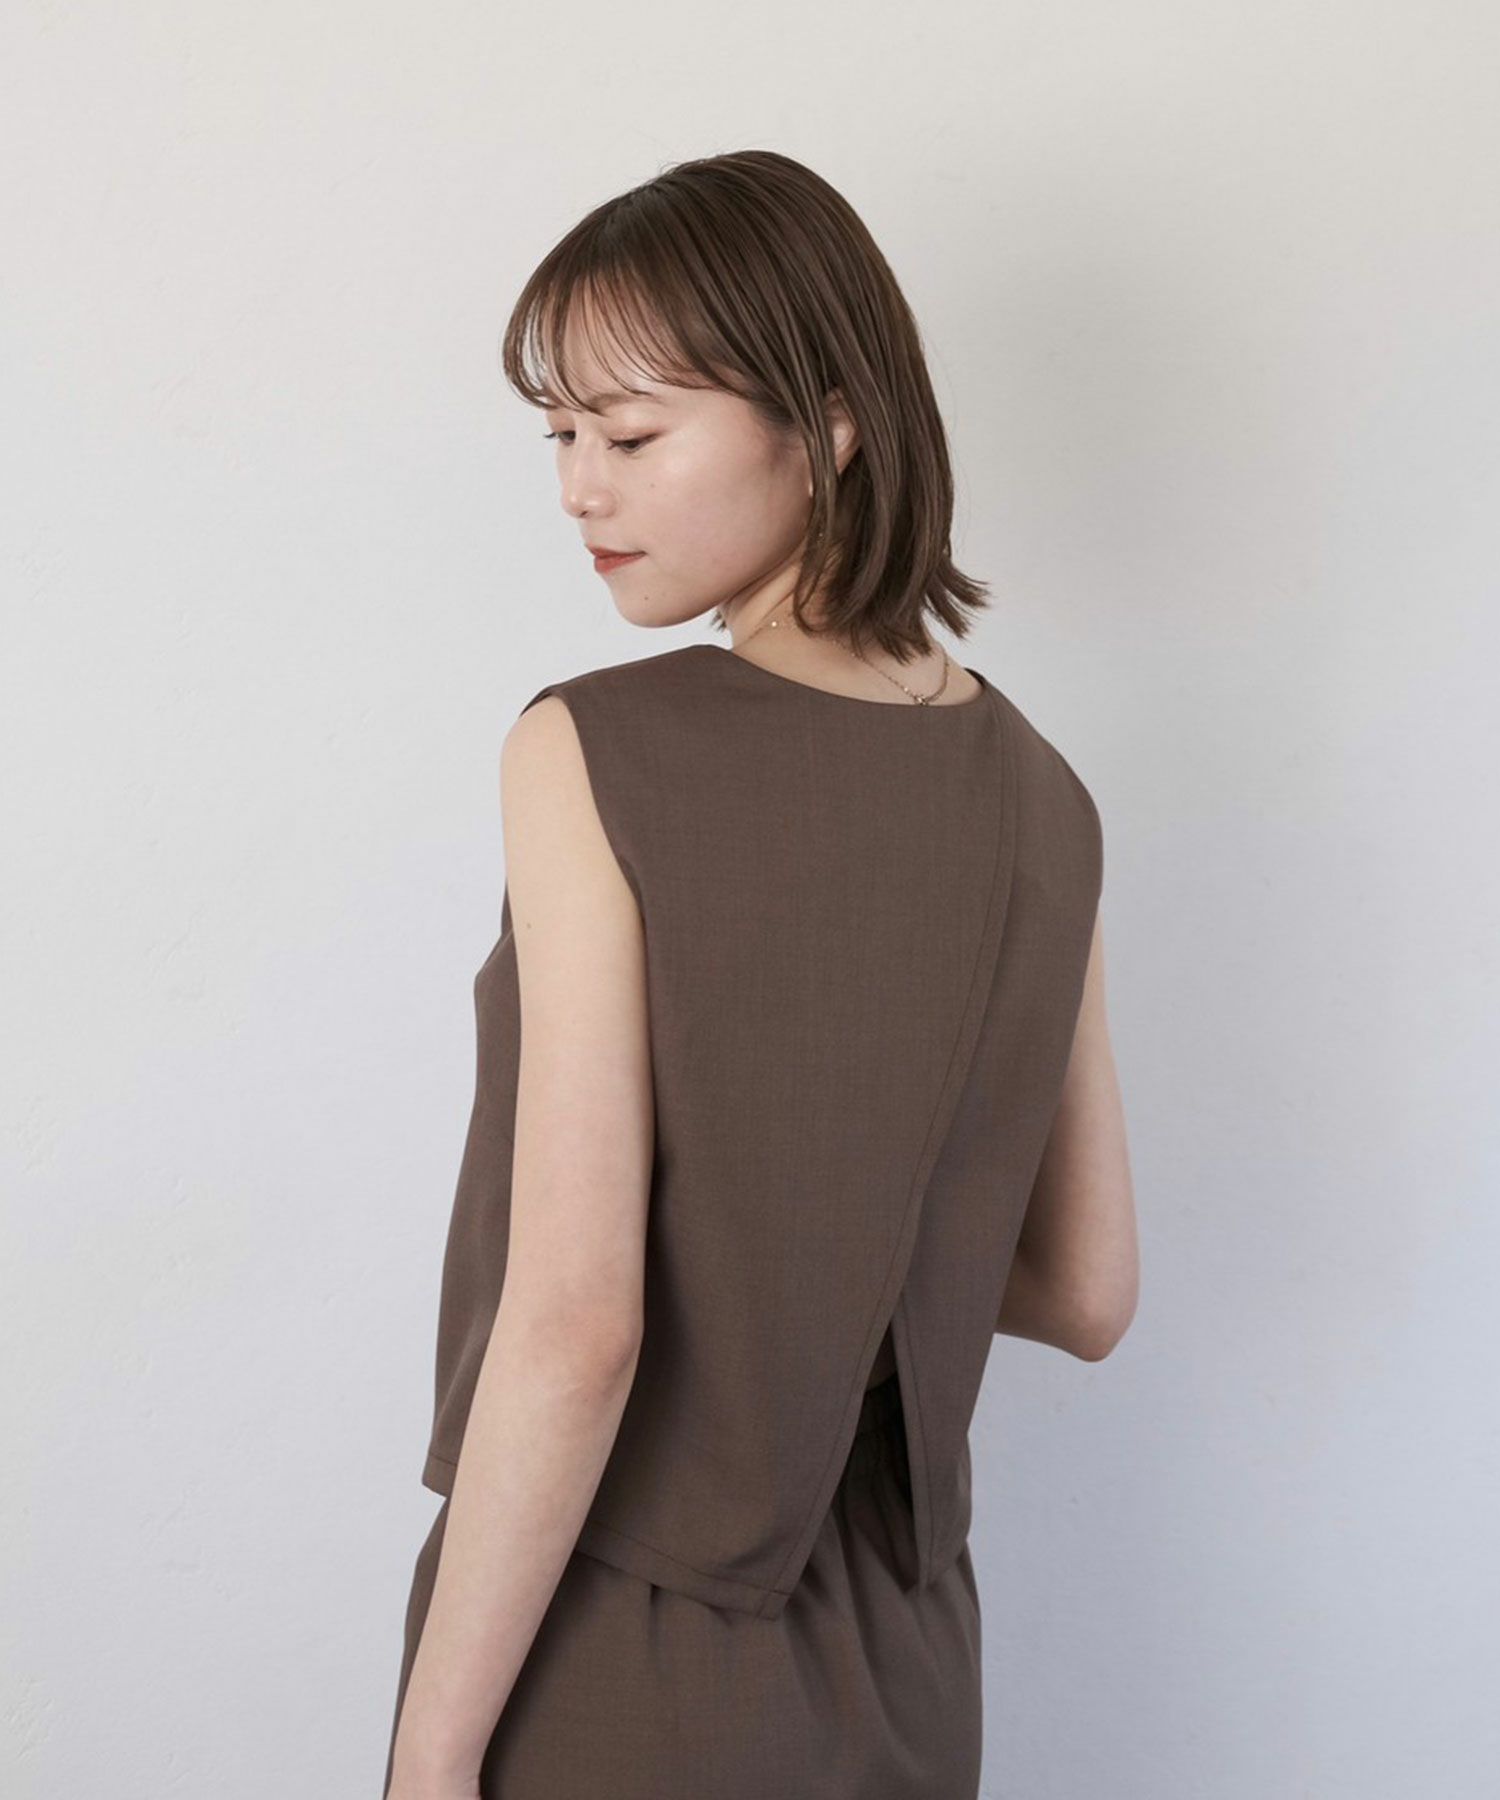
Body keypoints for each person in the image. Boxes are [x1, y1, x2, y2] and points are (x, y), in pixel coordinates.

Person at [383, 148, 1137, 1800]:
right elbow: (1087, 1289)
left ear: (831, 424)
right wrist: (823, 1259)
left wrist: (429, 1761)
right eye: (560, 436)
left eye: (633, 435)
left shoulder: (596, 752)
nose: (581, 491)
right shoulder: (1048, 799)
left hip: (628, 1652)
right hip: (913, 1674)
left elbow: (577, 1326)